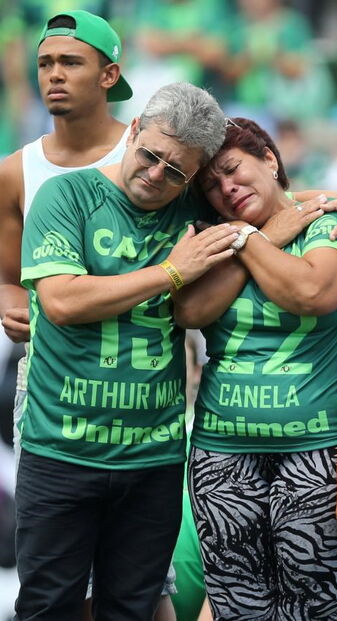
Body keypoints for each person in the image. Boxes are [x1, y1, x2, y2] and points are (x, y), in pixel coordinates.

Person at [15, 82, 233, 620]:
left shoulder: (195, 211)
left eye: (177, 170)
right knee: (48, 608)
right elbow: (63, 300)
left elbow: (270, 193)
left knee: (132, 611)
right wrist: (172, 271)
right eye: (151, 155)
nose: (157, 175)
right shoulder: (66, 196)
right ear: (132, 130)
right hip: (60, 449)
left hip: (153, 459)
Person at [173, 117, 337, 620]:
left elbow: (313, 292)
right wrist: (246, 238)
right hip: (223, 452)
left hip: (320, 449)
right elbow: (191, 312)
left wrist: (249, 238)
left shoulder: (330, 224)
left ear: (270, 159)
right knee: (237, 608)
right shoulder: (209, 239)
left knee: (312, 608)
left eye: (233, 169)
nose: (226, 188)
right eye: (213, 186)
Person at [0, 9, 131, 456]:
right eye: (45, 63)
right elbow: (9, 279)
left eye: (71, 63)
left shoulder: (147, 154)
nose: (55, 74)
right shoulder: (15, 171)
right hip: (48, 402)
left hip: (141, 400)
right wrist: (13, 307)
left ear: (108, 74)